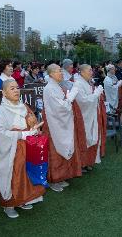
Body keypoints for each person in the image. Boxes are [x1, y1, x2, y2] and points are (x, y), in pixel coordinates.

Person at [0, 79, 46, 218]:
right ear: (4, 92)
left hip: (26, 148)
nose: (16, 90)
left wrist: (33, 129)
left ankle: (23, 199)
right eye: (12, 88)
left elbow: (31, 123)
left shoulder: (24, 106)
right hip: (11, 151)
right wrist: (22, 134)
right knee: (13, 176)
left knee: (25, 175)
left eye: (17, 88)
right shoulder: (1, 111)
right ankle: (9, 204)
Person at [42, 64, 82, 192]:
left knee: (62, 150)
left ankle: (61, 176)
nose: (62, 73)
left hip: (60, 122)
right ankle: (54, 179)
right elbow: (61, 107)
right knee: (54, 151)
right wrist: (72, 94)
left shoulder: (56, 86)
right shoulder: (49, 88)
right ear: (51, 74)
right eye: (59, 71)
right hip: (53, 124)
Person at [73, 64, 106, 165]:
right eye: (89, 70)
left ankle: (90, 161)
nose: (92, 73)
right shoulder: (78, 84)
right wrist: (96, 94)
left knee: (93, 136)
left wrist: (97, 94)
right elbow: (83, 101)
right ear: (82, 72)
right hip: (84, 116)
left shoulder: (88, 82)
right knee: (85, 138)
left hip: (92, 114)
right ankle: (83, 163)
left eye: (92, 70)